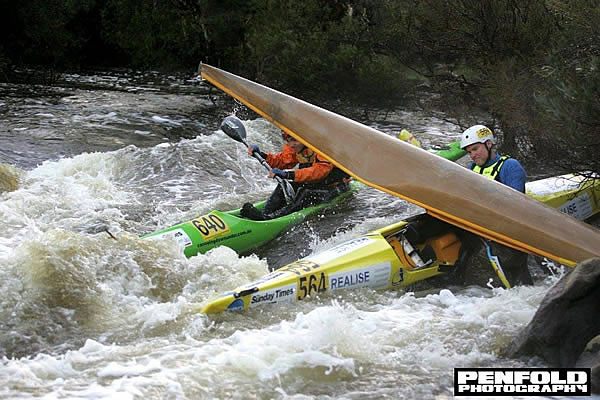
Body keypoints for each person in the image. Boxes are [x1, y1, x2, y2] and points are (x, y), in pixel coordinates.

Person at [456, 124, 533, 286]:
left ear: (489, 144)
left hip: (508, 231)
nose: (473, 155)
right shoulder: (472, 169)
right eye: (469, 152)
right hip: (481, 226)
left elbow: (516, 204)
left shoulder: (510, 166)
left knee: (516, 272)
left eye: (475, 149)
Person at [240, 131, 351, 220]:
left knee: (306, 193)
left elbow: (319, 172)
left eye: (294, 140)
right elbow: (283, 161)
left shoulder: (323, 147)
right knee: (283, 186)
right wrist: (263, 155)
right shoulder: (295, 146)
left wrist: (288, 174)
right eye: (288, 140)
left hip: (334, 186)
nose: (291, 144)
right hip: (314, 183)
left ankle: (272, 218)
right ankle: (264, 214)